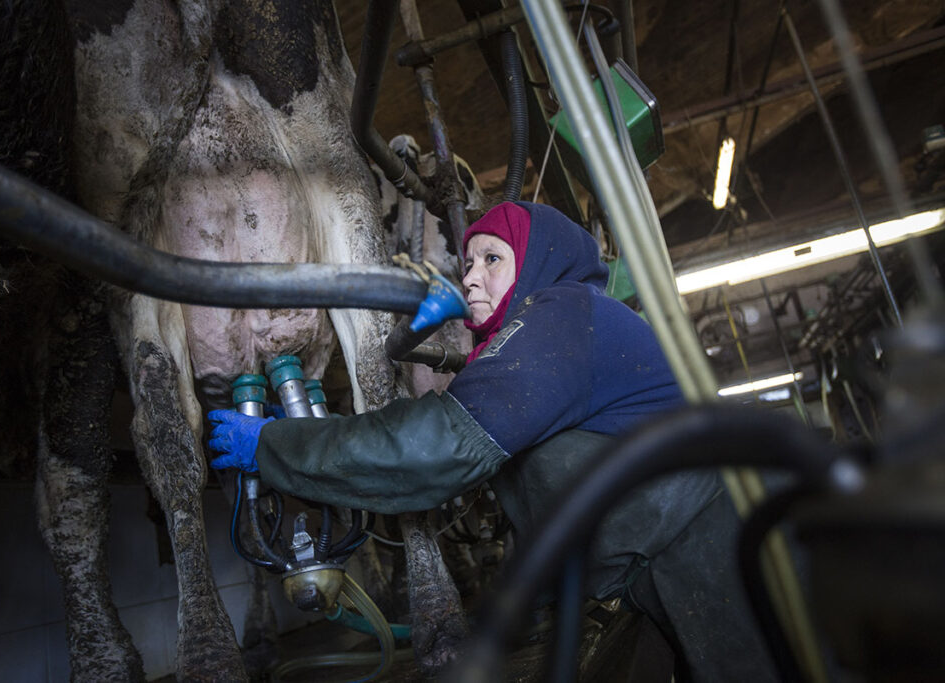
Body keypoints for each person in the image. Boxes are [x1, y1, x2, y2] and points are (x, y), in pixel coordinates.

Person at [209, 201, 776, 681]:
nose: (470, 277)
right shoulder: (555, 326)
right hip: (664, 565)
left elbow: (432, 449)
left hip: (714, 548)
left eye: (492, 259)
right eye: (468, 262)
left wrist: (274, 444)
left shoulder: (560, 314)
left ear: (536, 264)